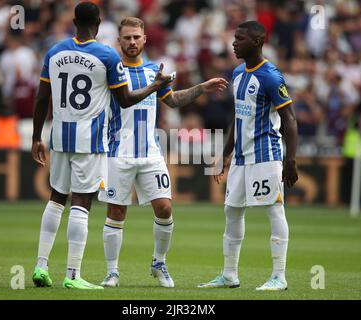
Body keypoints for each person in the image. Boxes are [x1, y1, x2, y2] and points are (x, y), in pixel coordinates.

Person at [31, 2, 173, 290]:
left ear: (73, 21)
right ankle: (73, 275)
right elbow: (124, 100)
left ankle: (41, 265)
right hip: (90, 140)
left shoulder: (54, 51)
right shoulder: (107, 55)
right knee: (81, 203)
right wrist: (153, 88)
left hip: (59, 137)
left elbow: (41, 98)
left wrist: (37, 137)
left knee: (56, 198)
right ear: (99, 23)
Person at [97, 17, 228, 288]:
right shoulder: (111, 71)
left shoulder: (152, 72)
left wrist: (201, 88)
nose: (132, 42)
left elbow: (173, 100)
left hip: (151, 153)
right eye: (127, 38)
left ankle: (159, 263)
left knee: (165, 207)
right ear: (118, 41)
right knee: (116, 212)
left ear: (145, 39)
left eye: (136, 37)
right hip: (117, 153)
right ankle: (112, 272)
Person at [198, 21, 298, 291]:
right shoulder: (238, 72)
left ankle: (279, 276)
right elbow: (238, 117)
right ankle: (229, 274)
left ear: (257, 41)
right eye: (234, 37)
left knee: (274, 210)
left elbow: (289, 119)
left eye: (240, 38)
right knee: (232, 211)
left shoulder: (271, 76)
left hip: (266, 156)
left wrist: (290, 160)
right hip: (242, 158)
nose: (234, 43)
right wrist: (226, 153)